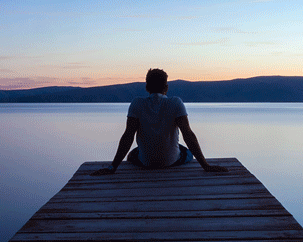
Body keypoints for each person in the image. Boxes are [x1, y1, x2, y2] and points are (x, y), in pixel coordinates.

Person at [91, 69, 229, 176]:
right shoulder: (175, 102)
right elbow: (188, 134)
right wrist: (205, 165)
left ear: (147, 87)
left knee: (132, 154)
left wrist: (112, 167)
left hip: (145, 163)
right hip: (171, 162)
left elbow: (128, 136)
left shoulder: (137, 104)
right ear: (166, 87)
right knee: (186, 152)